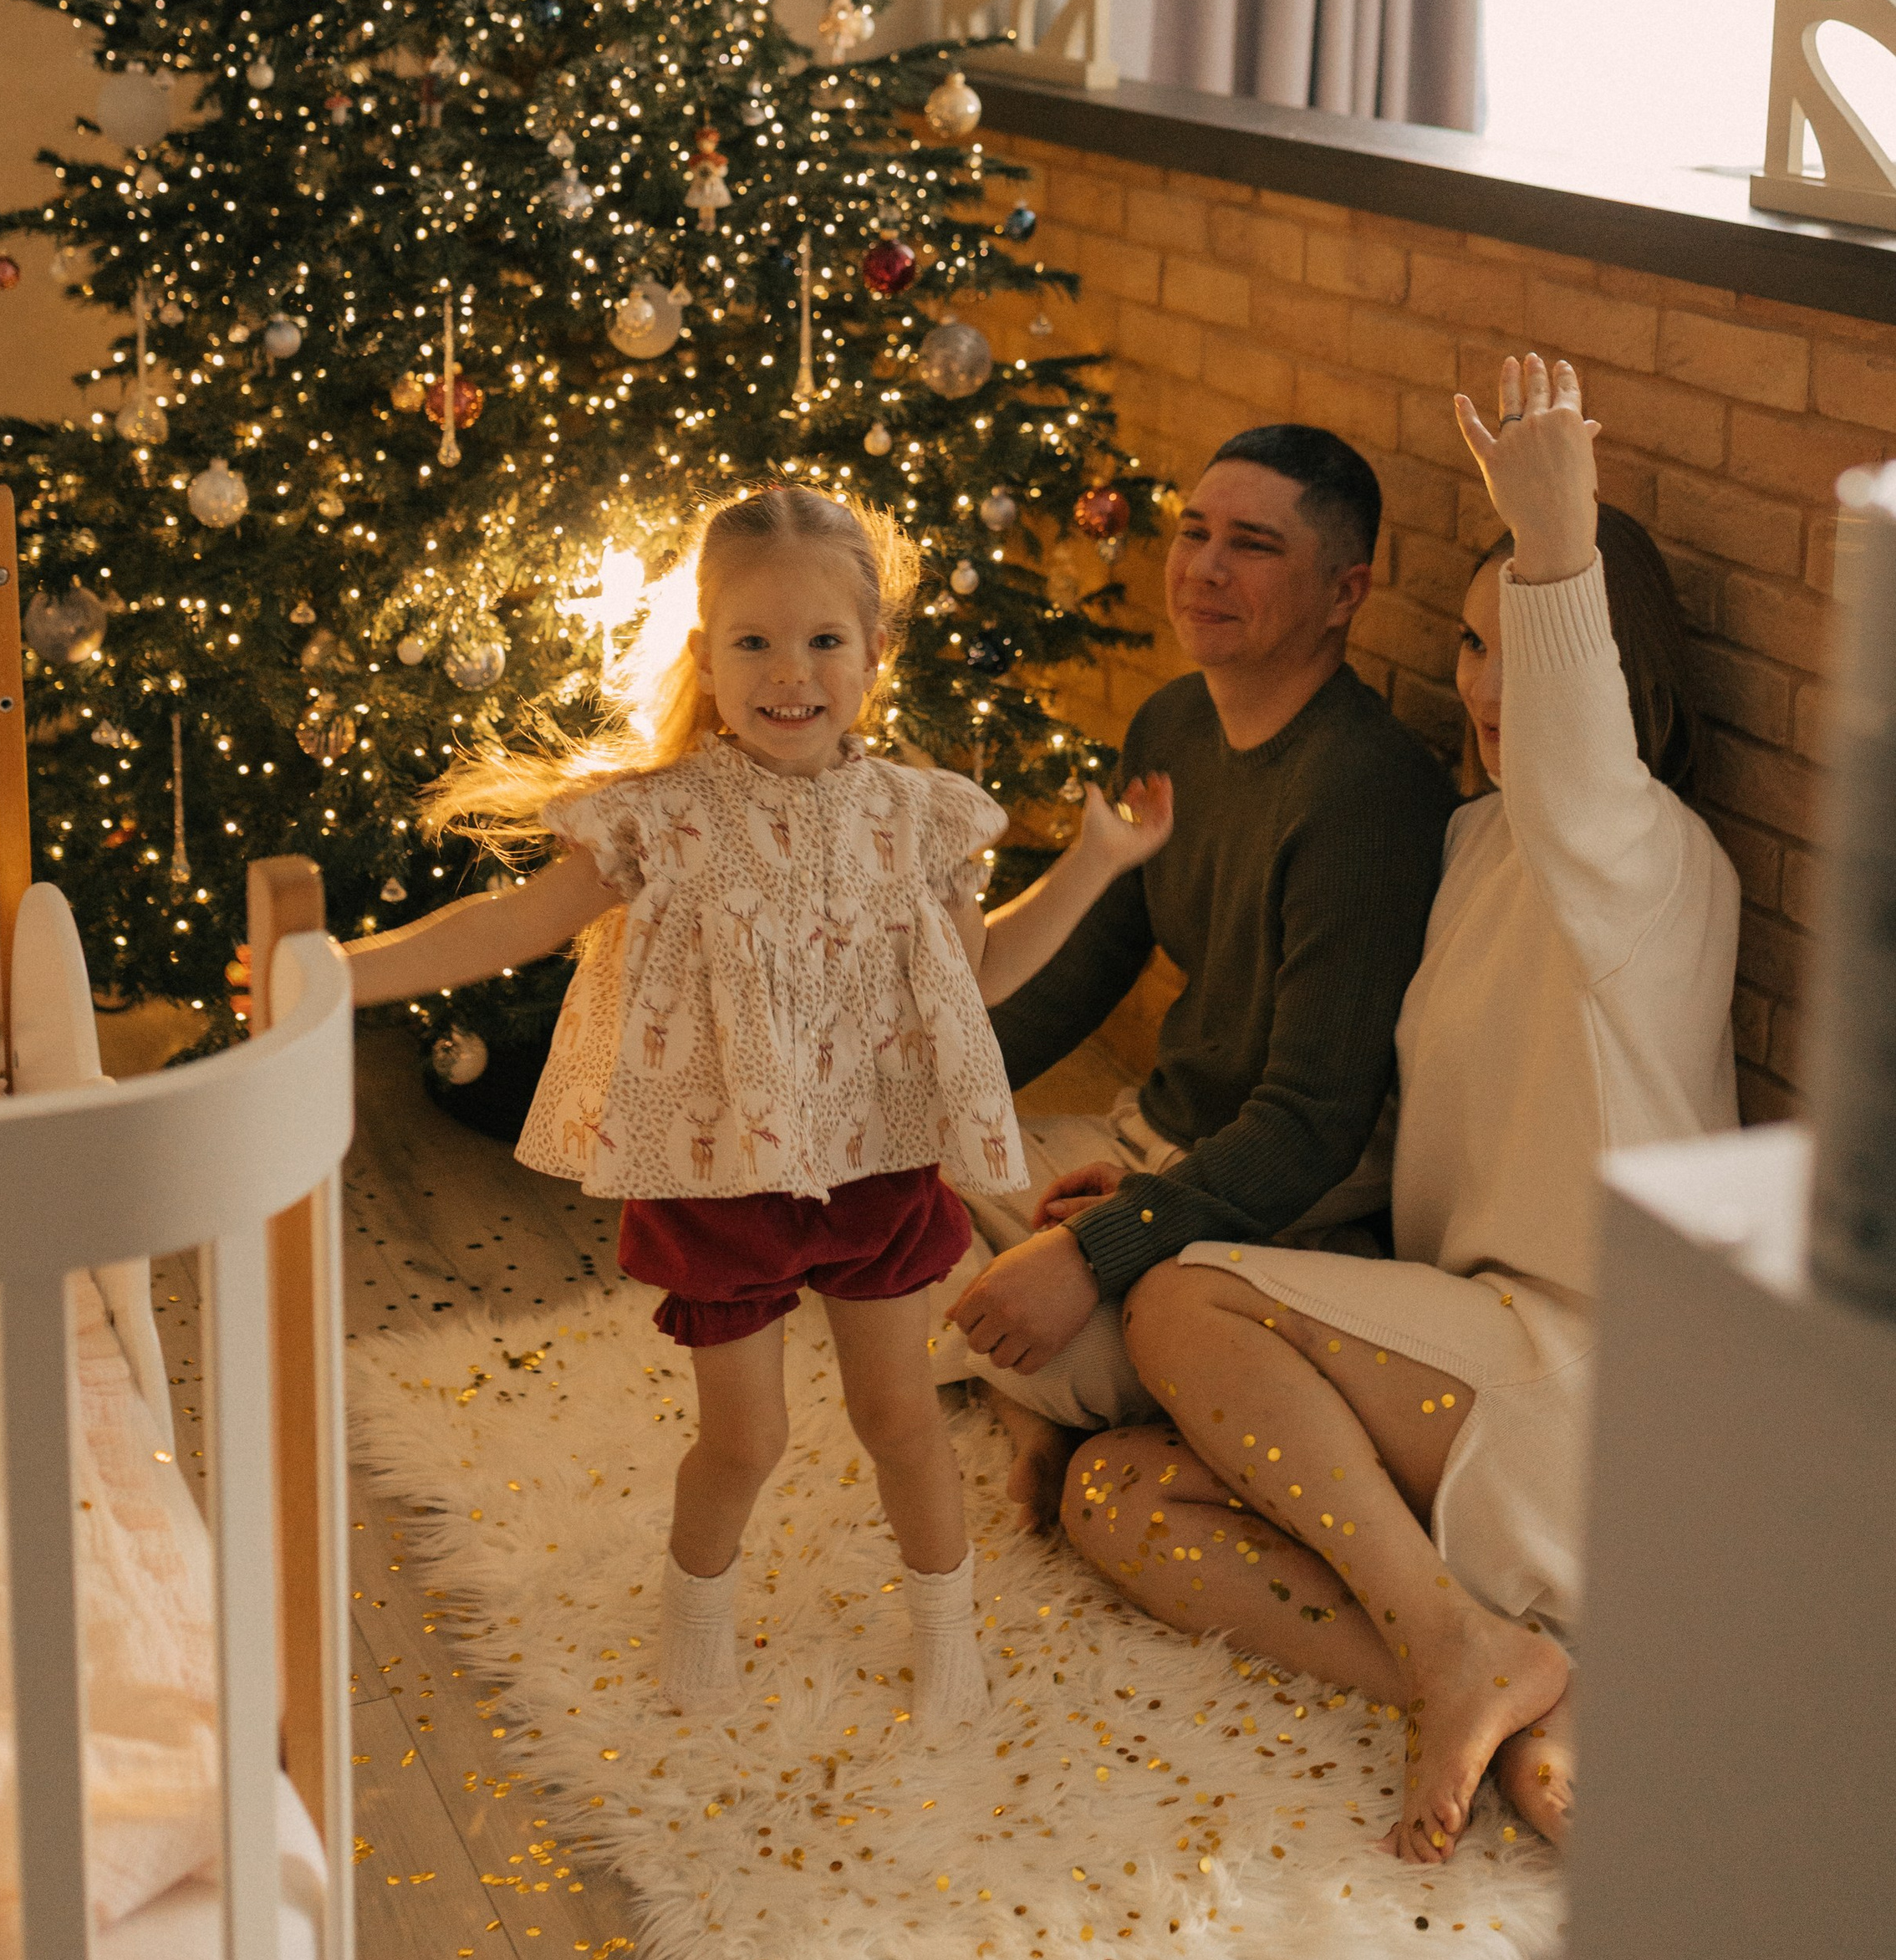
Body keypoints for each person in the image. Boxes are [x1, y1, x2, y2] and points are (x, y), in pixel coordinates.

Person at [343, 483, 1174, 1735]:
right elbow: (513, 923)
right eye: (755, 644)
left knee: (901, 1418)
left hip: (877, 1162)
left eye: (824, 641)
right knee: (746, 1441)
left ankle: (947, 1631)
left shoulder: (919, 817)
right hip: (720, 1173)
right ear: (704, 657)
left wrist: (1097, 865)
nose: (792, 674)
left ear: (874, 653)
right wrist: (341, 973)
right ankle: (697, 1614)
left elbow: (975, 975)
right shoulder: (664, 821)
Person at [1063, 356, 1741, 1866]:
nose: (1489, 691)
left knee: (1177, 1310)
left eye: (1529, 653)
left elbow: (1583, 777)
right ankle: (1475, 1675)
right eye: (1469, 651)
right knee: (1115, 1495)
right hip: (1471, 1353)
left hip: (1604, 1391)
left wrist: (1554, 526)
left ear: (1613, 673)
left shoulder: (1649, 859)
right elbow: (1362, 1110)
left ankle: (1466, 1646)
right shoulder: (1477, 844)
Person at [940, 425, 1455, 1523]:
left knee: (972, 1307)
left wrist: (1101, 1246)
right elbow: (1088, 967)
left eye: (1254, 546)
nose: (1205, 568)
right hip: (1145, 1149)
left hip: (1273, 1207)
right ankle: (1037, 1413)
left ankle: (1062, 1385)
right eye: (1194, 532)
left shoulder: (1364, 793)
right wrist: (917, 1090)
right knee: (871, 1175)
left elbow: (1315, 1127)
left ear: (1343, 591)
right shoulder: (1173, 721)